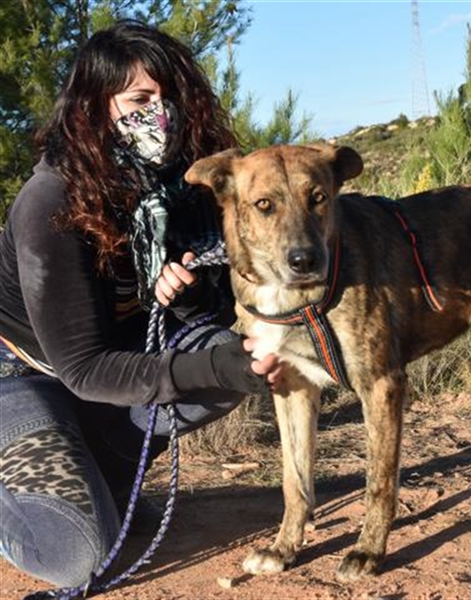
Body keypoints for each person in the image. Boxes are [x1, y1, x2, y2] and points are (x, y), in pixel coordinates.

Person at [0, 20, 279, 588]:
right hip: (26, 375)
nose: (161, 113)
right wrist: (212, 367)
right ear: (93, 107)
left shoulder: (178, 188)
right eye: (139, 99)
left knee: (219, 350)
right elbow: (83, 369)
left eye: (171, 97)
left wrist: (190, 299)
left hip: (112, 371)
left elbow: (213, 311)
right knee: (76, 556)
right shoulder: (50, 202)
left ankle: (107, 470)